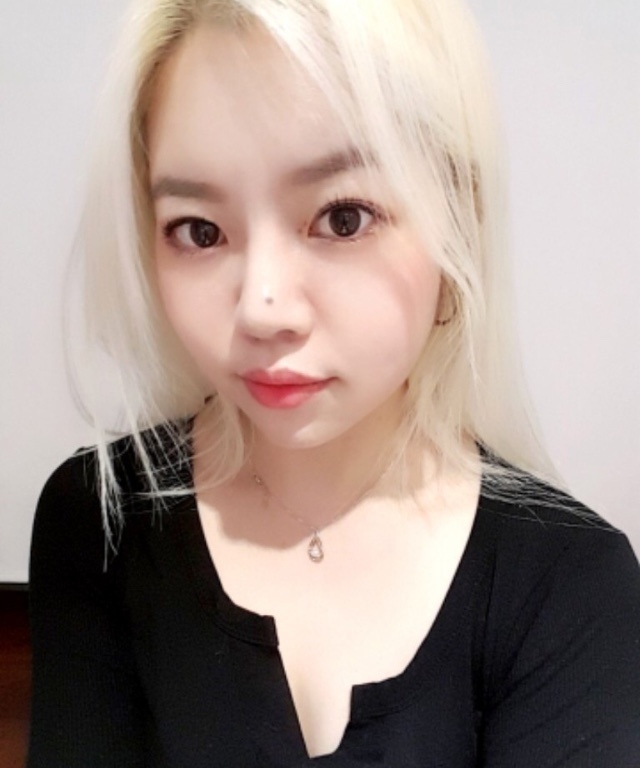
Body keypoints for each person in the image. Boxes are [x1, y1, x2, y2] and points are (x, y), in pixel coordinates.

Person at [28, 0, 640, 766]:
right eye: (200, 230)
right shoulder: (103, 522)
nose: (263, 309)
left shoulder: (571, 586)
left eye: (343, 218)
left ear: (455, 220)